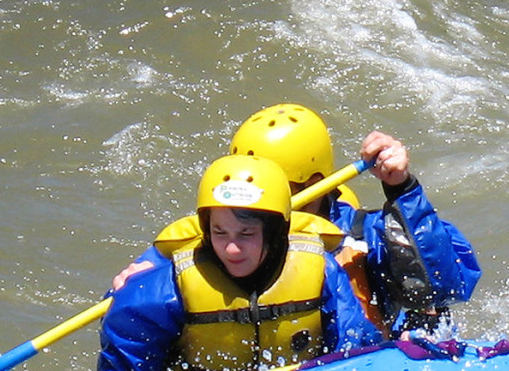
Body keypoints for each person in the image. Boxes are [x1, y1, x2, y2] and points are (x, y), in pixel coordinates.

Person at [118, 104, 480, 335]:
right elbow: (133, 315)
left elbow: (445, 285)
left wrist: (401, 187)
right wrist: (128, 288)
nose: (260, 201)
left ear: (316, 186)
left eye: (276, 188)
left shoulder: (363, 235)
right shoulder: (216, 237)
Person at [98, 155, 384, 371]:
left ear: (276, 232)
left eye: (246, 233)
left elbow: (356, 350)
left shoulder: (321, 272)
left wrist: (394, 353)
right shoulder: (165, 291)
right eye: (220, 233)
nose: (232, 249)